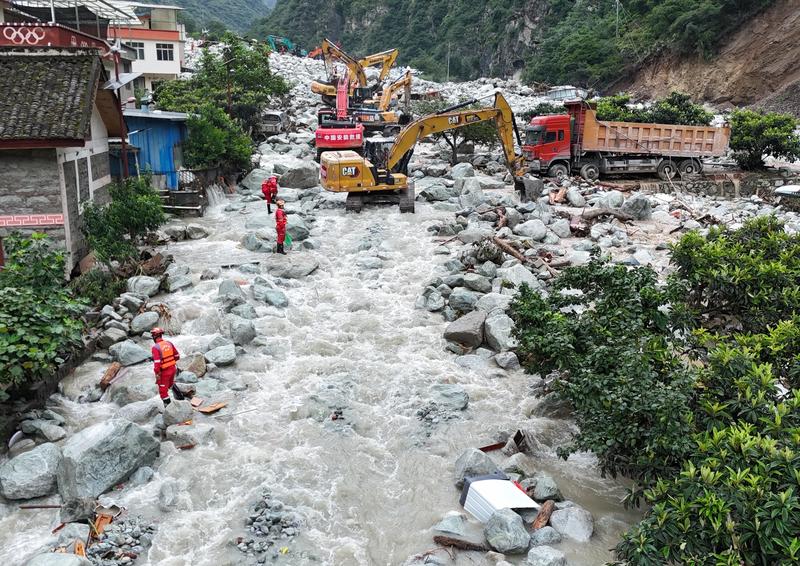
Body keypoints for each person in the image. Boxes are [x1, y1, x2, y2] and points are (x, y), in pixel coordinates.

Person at [151, 327, 181, 405]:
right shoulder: (169, 343)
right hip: (173, 368)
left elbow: (157, 363)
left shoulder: (155, 347)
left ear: (154, 336)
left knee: (163, 391)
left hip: (164, 371)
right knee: (170, 384)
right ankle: (181, 398)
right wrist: (170, 362)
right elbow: (177, 356)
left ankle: (168, 408)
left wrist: (157, 373)